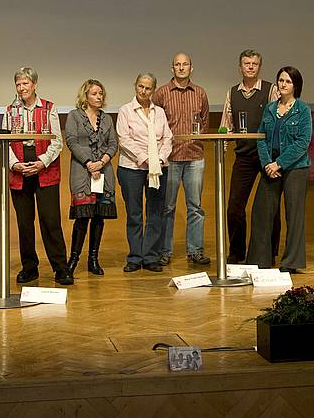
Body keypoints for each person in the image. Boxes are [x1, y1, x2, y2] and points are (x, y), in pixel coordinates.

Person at [4, 67, 74, 286]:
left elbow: (57, 141)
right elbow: (5, 142)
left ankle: (60, 268)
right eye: (18, 84)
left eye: (25, 83)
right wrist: (15, 165)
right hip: (20, 171)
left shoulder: (49, 108)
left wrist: (42, 162)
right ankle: (29, 267)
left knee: (50, 221)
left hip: (45, 170)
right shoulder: (10, 110)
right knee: (25, 223)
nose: (21, 88)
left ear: (34, 85)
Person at [247, 67, 312, 273]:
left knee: (294, 215)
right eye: (281, 80)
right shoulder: (270, 108)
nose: (283, 84)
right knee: (261, 212)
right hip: (270, 166)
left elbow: (303, 142)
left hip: (296, 167)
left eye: (288, 81)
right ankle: (259, 261)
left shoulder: (303, 109)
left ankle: (291, 262)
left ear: (296, 86)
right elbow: (261, 138)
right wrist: (268, 163)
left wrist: (280, 163)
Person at [219, 49, 280, 264]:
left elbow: (278, 119)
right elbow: (226, 126)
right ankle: (237, 252)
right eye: (247, 63)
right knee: (234, 207)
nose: (251, 67)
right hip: (243, 157)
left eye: (254, 64)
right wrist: (222, 149)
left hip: (267, 157)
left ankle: (270, 253)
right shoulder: (232, 93)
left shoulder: (271, 90)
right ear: (240, 67)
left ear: (259, 67)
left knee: (270, 207)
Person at [152, 52, 211, 266]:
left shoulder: (200, 93)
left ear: (191, 68)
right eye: (177, 64)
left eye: (185, 64)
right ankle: (164, 252)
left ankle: (195, 251)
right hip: (170, 159)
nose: (181, 67)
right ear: (172, 68)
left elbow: (205, 123)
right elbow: (154, 124)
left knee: (195, 207)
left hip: (195, 157)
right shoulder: (161, 93)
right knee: (167, 207)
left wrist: (195, 140)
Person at [117, 73, 173, 272]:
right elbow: (124, 139)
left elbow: (167, 138)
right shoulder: (125, 110)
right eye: (140, 86)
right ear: (135, 86)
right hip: (131, 168)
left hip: (158, 169)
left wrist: (159, 159)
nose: (143, 91)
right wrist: (146, 159)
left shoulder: (160, 112)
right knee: (134, 213)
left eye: (148, 88)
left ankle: (150, 256)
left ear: (153, 90)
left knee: (155, 212)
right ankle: (135, 257)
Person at [65, 79, 118, 276]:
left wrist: (101, 163)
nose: (99, 97)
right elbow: (71, 141)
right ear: (85, 96)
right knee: (82, 217)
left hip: (103, 172)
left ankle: (93, 260)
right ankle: (73, 260)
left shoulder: (107, 119)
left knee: (98, 217)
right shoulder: (74, 116)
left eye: (101, 93)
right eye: (95, 93)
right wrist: (89, 163)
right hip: (82, 172)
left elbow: (113, 144)